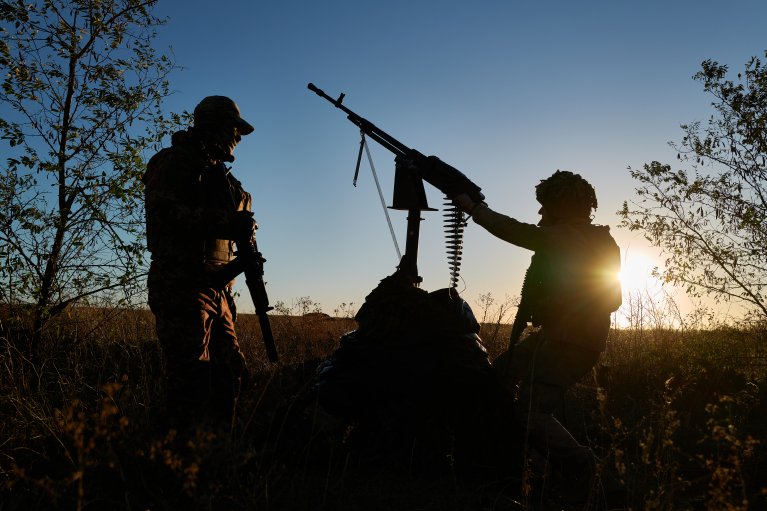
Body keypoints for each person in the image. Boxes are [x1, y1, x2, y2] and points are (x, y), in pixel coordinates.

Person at [453, 170, 622, 502]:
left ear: (565, 206)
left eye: (547, 207)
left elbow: (516, 232)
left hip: (571, 343)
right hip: (558, 338)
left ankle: (584, 467)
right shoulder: (593, 239)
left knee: (531, 411)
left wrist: (474, 209)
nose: (542, 214)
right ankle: (523, 463)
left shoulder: (575, 237)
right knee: (497, 380)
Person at [143, 95, 258, 428]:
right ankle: (175, 465)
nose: (237, 137)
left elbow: (233, 229)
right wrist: (226, 223)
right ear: (215, 126)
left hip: (218, 288)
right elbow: (164, 215)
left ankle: (217, 456)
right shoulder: (174, 163)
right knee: (190, 379)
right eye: (233, 129)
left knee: (229, 372)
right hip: (182, 283)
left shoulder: (225, 179)